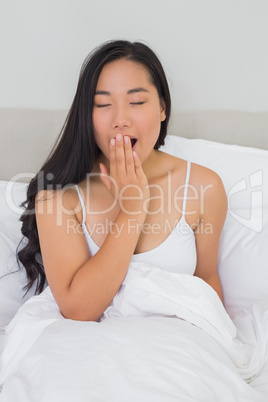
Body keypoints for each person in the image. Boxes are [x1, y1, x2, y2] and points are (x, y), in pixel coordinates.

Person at [18, 40, 227, 322]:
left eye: (137, 102)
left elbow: (207, 285)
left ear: (163, 108)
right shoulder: (58, 195)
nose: (120, 120)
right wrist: (132, 210)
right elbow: (79, 310)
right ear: (87, 116)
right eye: (103, 104)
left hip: (176, 351)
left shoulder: (204, 187)